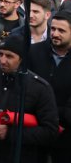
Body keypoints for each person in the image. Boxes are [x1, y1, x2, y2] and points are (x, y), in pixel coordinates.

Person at [0, 35, 58, 163]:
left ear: (21, 59)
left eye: (9, 56)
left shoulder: (39, 88)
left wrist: (11, 134)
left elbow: (50, 131)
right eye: (0, 54)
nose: (2, 60)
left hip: (18, 156)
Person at [28, 11, 71, 163]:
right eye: (53, 29)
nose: (55, 34)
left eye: (62, 30)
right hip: (34, 128)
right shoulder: (34, 52)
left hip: (65, 134)